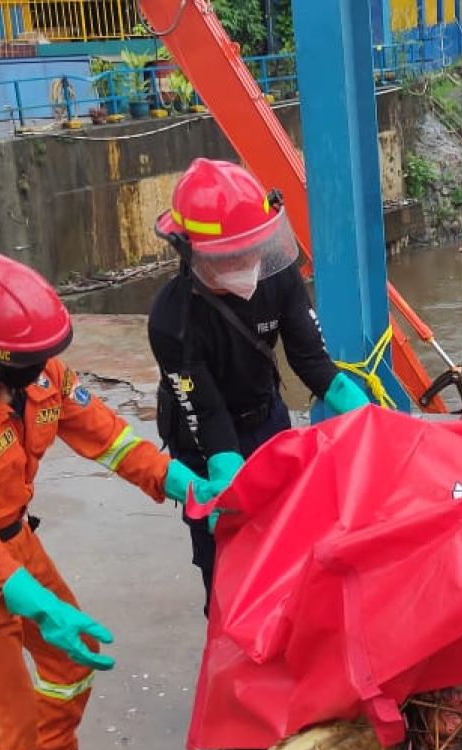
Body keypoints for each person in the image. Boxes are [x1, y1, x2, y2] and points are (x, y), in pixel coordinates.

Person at [0, 253, 217, 750]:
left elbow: (110, 439)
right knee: (11, 731)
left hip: (17, 540)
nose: (45, 366)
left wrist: (179, 481)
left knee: (71, 660)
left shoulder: (44, 378)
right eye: (32, 357)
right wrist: (33, 599)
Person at [148, 158, 369, 613]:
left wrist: (362, 413)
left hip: (265, 417)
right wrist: (227, 479)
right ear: (190, 253)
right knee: (227, 553)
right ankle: (228, 635)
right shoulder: (171, 321)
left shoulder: (278, 276)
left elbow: (310, 358)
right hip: (202, 439)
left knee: (287, 539)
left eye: (253, 250)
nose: (247, 264)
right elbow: (205, 414)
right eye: (230, 256)